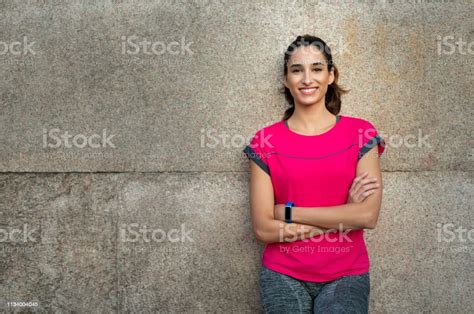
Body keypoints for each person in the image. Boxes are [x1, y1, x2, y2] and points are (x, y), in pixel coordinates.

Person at [242, 35, 386, 313]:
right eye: (297, 70)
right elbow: (263, 229)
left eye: (317, 68)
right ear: (286, 79)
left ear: (331, 75)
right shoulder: (265, 142)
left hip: (347, 274)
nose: (307, 78)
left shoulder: (361, 134)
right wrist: (345, 215)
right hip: (282, 274)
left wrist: (287, 212)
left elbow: (367, 216)